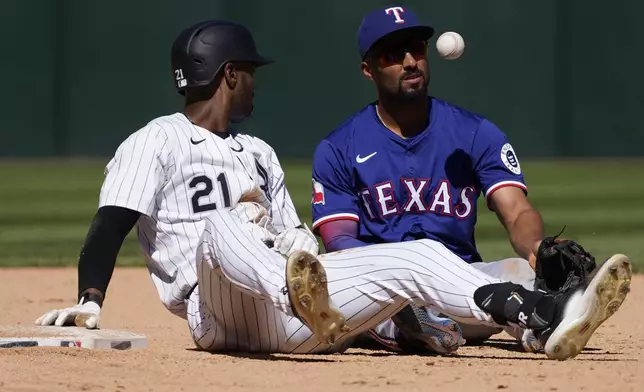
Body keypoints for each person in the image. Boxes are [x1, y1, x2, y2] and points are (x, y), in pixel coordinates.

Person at [33, 19, 630, 361]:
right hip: (214, 306)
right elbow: (110, 221)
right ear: (229, 75)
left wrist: (322, 273)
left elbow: (299, 239)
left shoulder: (259, 153)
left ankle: (544, 314)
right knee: (225, 223)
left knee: (421, 254)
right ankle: (300, 295)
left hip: (294, 321)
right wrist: (90, 299)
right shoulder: (155, 140)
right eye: (251, 74)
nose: (255, 85)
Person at [309, 5, 607, 354]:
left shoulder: (475, 133)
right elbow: (339, 242)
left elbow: (516, 211)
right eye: (393, 54)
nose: (410, 61)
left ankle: (545, 328)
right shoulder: (338, 147)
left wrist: (537, 247)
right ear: (368, 70)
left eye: (416, 49)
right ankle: (404, 326)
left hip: (460, 285)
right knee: (342, 294)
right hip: (385, 294)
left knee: (520, 274)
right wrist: (396, 280)